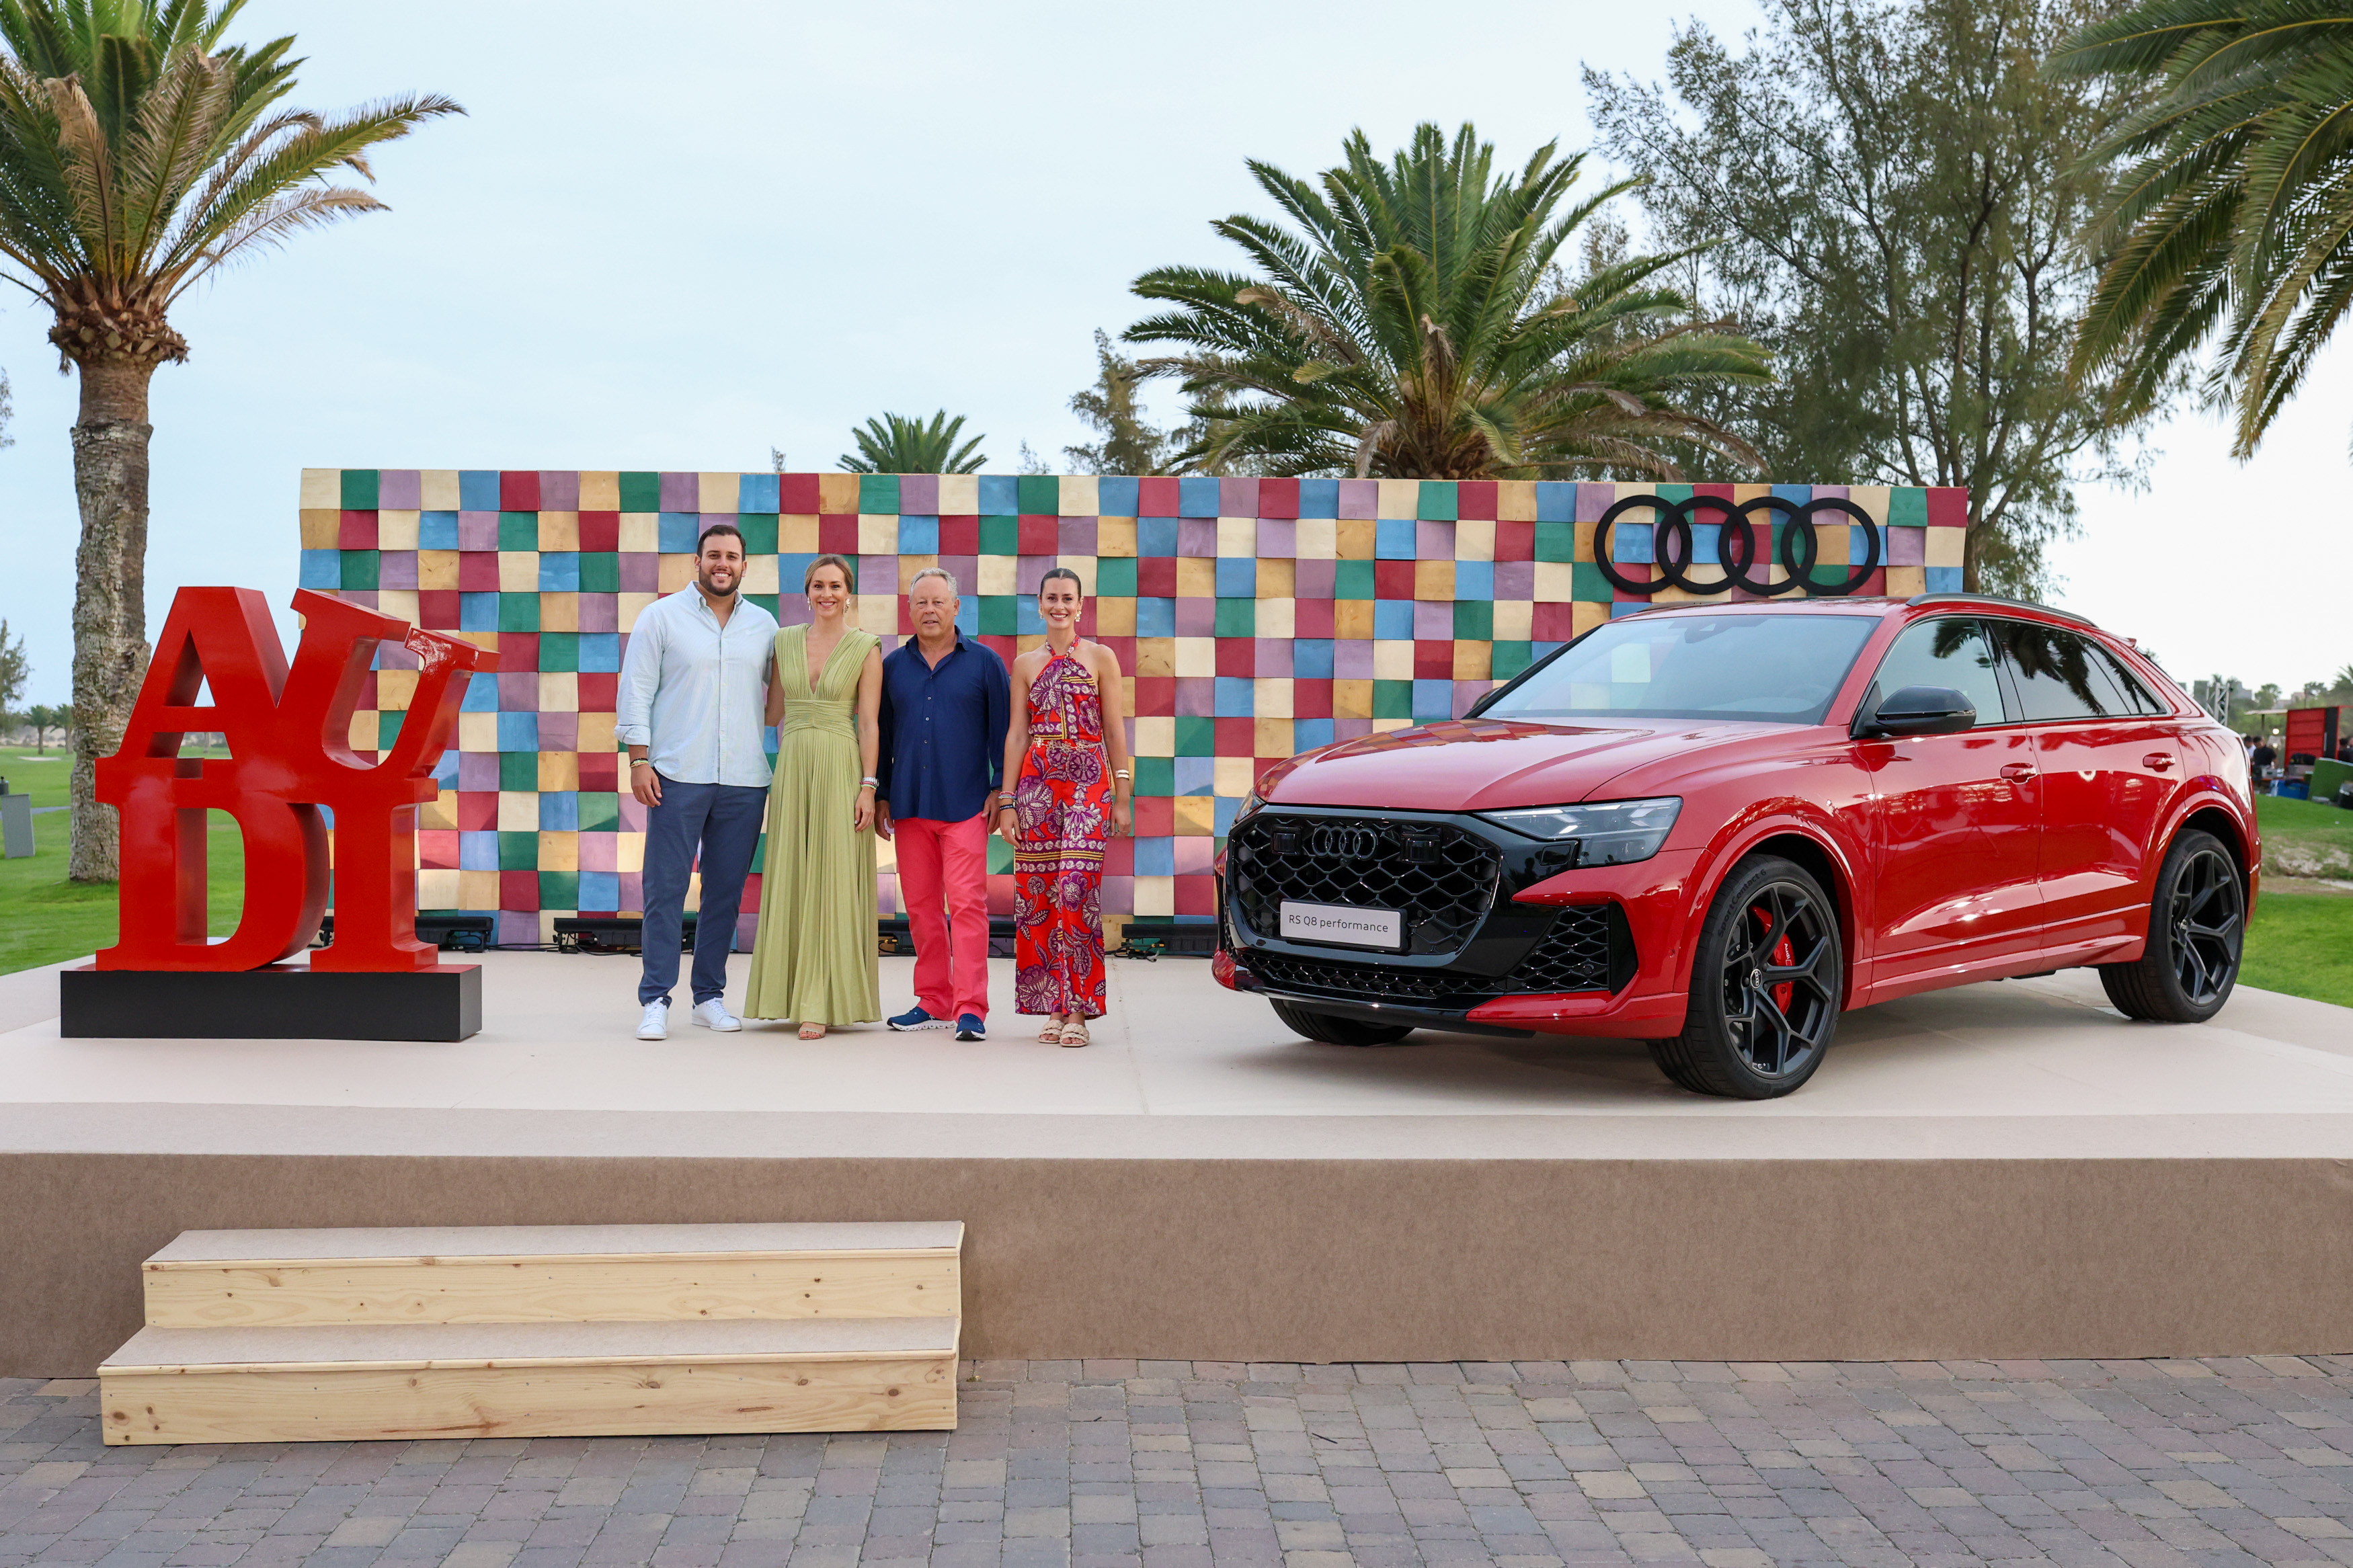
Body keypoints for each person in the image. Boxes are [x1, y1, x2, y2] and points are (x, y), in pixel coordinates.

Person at [616, 522, 779, 1040]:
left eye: (731, 556)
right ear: (698, 561)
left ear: (745, 565)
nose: (722, 564)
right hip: (676, 774)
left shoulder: (765, 625)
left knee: (724, 893)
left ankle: (708, 996)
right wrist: (638, 760)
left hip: (744, 779)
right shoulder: (660, 617)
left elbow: (779, 699)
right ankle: (655, 999)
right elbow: (636, 689)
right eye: (714, 555)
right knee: (664, 889)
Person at [745, 556, 884, 1039]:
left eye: (836, 586)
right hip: (794, 765)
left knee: (832, 876)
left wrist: (868, 786)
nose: (827, 593)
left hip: (841, 765)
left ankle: (821, 1001)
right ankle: (787, 994)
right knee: (793, 873)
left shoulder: (866, 647)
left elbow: (869, 723)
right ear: (806, 593)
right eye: (818, 585)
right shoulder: (784, 641)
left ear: (849, 594)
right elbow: (771, 713)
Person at [875, 567, 1010, 1043]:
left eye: (938, 602)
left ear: (956, 607)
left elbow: (1005, 734)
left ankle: (970, 1007)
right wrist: (881, 794)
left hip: (967, 805)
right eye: (921, 603)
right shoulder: (893, 666)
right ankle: (933, 999)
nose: (929, 610)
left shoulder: (986, 663)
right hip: (910, 806)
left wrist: (1001, 790)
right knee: (922, 909)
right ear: (909, 610)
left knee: (968, 905)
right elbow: (882, 735)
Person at [998, 567, 1131, 1047]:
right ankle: (1054, 1005)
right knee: (1040, 897)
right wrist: (1008, 801)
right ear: (1039, 604)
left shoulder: (1101, 657)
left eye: (1067, 598)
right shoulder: (1024, 664)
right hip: (1036, 788)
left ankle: (1079, 1008)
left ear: (1080, 605)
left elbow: (1114, 729)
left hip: (1088, 786)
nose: (1059, 606)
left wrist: (1122, 793)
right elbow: (1017, 734)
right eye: (1051, 598)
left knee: (1076, 889)